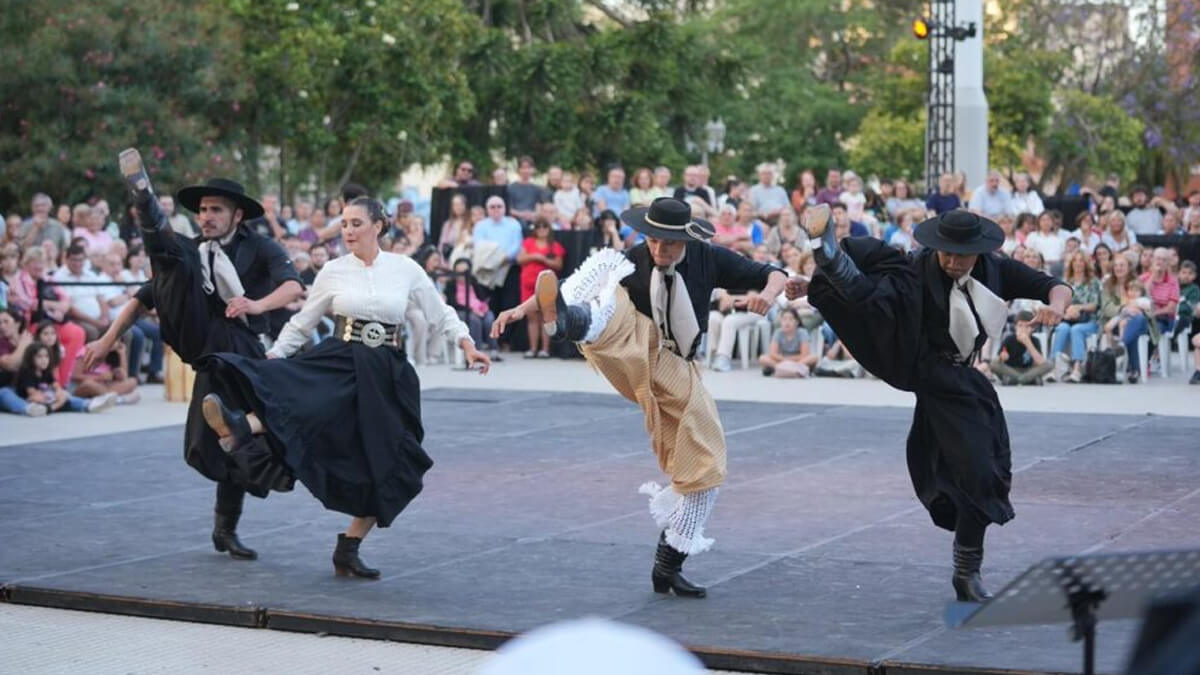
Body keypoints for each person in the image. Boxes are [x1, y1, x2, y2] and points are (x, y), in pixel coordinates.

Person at [493, 197, 787, 598]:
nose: (658, 251)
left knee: (705, 472)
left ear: (685, 240)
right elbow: (564, 286)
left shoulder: (709, 258)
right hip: (634, 349)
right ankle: (570, 323)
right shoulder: (636, 256)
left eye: (667, 245)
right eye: (652, 241)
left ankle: (668, 564)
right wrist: (521, 309)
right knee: (610, 287)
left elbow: (774, 273)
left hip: (677, 366)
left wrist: (768, 296)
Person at [197, 197, 491, 578]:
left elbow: (440, 312)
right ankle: (240, 425)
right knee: (303, 399)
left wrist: (468, 345)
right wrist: (276, 357)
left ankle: (348, 548)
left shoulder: (405, 268)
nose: (348, 231)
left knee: (389, 462)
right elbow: (304, 321)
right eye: (344, 224)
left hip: (387, 371)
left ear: (379, 226)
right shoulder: (334, 271)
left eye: (356, 223)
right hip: (341, 358)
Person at [791, 205, 1070, 601]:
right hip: (914, 359)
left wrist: (1057, 307)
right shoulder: (919, 267)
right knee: (883, 290)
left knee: (981, 470)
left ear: (979, 251)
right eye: (947, 253)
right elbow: (877, 295)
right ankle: (832, 258)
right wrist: (816, 285)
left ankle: (966, 570)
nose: (954, 262)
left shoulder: (996, 271)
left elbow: (1052, 285)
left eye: (962, 255)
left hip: (960, 381)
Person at [84, 149, 304, 562]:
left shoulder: (261, 248)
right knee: (173, 256)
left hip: (248, 357)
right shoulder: (193, 252)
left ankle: (225, 530)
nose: (207, 216)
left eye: (216, 209)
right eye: (202, 209)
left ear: (237, 215)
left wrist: (255, 305)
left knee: (233, 443)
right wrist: (106, 339)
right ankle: (146, 204)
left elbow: (293, 287)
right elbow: (142, 299)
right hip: (206, 348)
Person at [518, 216, 565, 358]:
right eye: (538, 226)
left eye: (544, 226)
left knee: (546, 317)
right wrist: (536, 256)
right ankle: (532, 349)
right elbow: (520, 259)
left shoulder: (555, 245)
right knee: (531, 317)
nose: (541, 229)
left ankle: (545, 349)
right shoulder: (528, 242)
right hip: (528, 283)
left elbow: (558, 265)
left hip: (545, 285)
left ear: (549, 229)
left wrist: (543, 259)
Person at [990, 310, 1053, 385]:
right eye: (1020, 325)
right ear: (1015, 327)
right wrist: (1001, 357)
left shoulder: (1035, 340)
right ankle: (1027, 380)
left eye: (1026, 326)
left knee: (1049, 364)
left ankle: (1016, 380)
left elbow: (1040, 362)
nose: (1023, 329)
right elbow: (998, 359)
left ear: (1032, 328)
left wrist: (1028, 343)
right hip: (1011, 370)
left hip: (1029, 371)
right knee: (993, 363)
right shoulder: (1009, 339)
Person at [758, 307, 816, 377]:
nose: (787, 322)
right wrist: (785, 360)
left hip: (798, 360)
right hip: (782, 360)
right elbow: (773, 353)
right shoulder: (778, 332)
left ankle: (784, 369)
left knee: (813, 357)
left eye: (791, 319)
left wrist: (789, 361)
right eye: (784, 319)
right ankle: (790, 369)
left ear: (797, 322)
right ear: (781, 321)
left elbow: (804, 354)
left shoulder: (802, 332)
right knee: (763, 358)